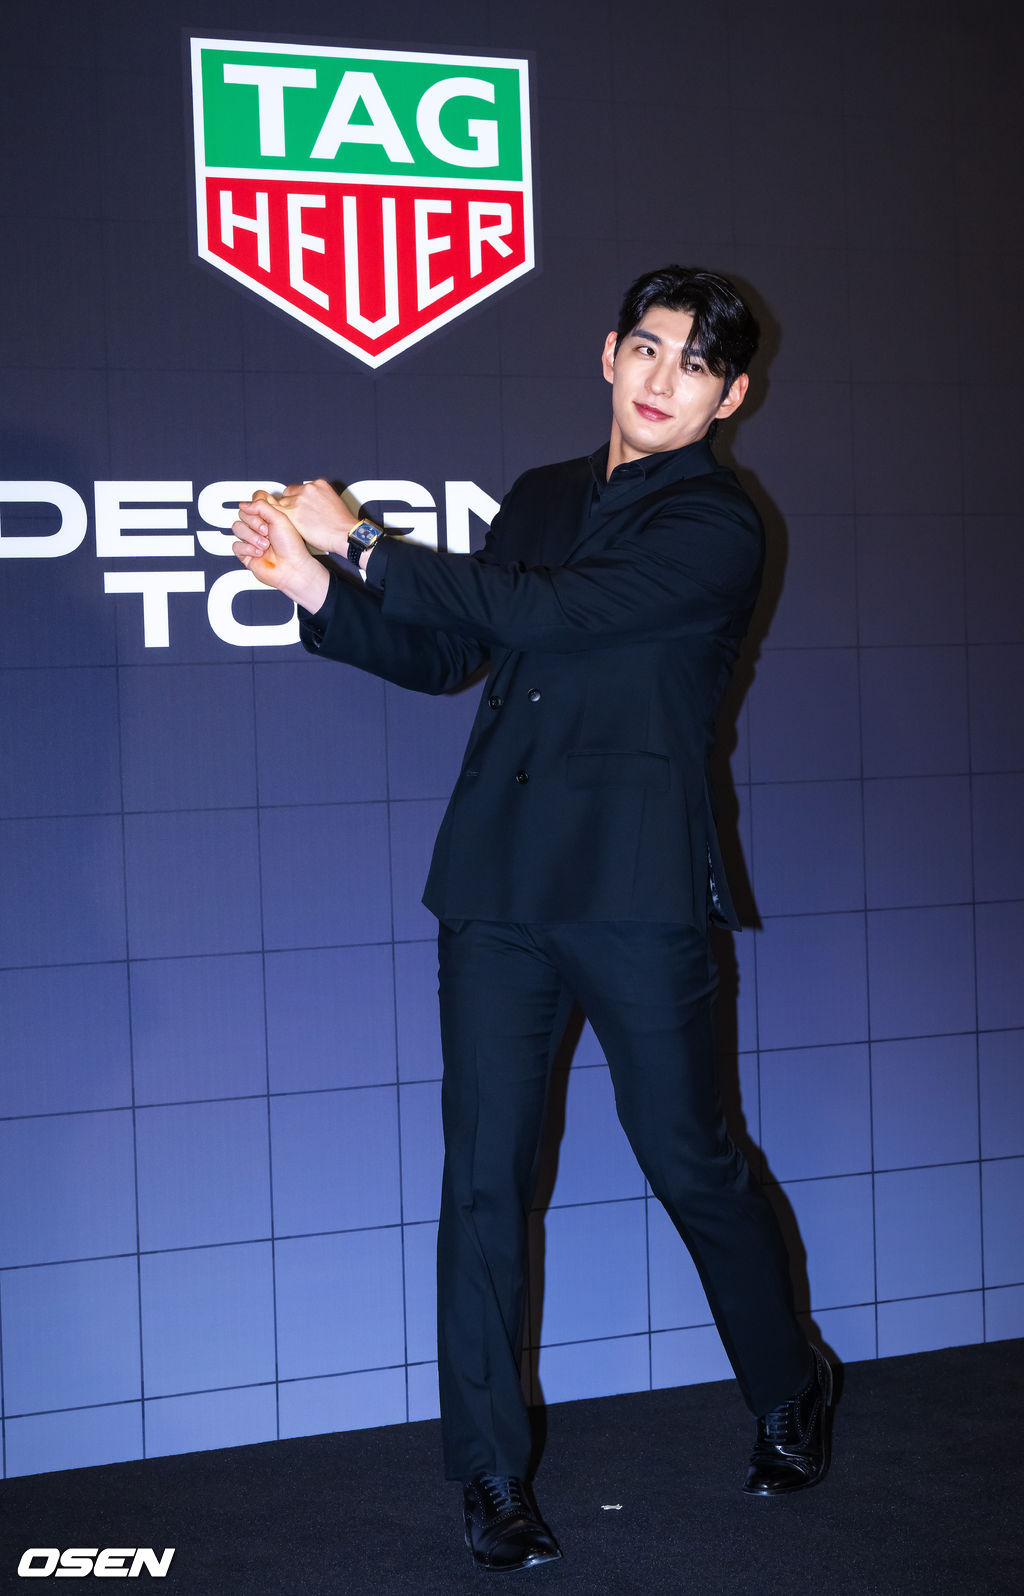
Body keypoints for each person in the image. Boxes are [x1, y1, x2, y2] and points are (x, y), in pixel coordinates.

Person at [233, 265, 833, 1574]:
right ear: (611, 354)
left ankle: (791, 1382)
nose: (664, 381)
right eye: (649, 349)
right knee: (484, 1176)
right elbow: (460, 653)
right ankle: (490, 1472)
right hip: (496, 885)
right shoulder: (543, 494)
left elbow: (551, 613)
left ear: (731, 396)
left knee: (690, 1159)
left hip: (635, 888)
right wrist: (318, 593)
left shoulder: (719, 523)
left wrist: (368, 546)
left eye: (696, 366)